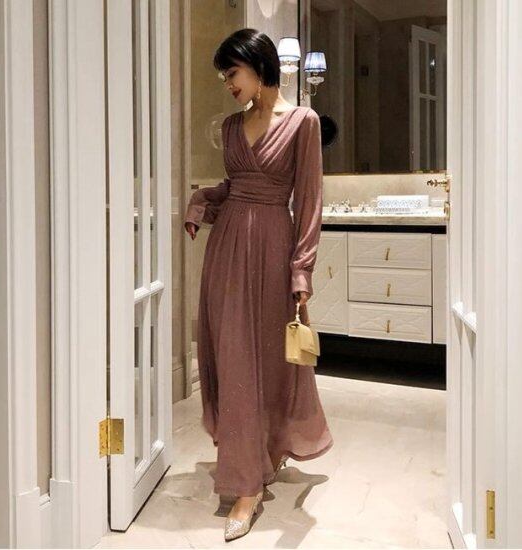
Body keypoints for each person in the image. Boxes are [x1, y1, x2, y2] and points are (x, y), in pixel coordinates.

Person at [184, 28, 334, 541]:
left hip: (273, 253)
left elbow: (309, 202)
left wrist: (301, 271)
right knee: (232, 361)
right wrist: (202, 202)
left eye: (232, 72)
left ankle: (259, 463)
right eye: (224, 76)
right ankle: (245, 478)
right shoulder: (231, 127)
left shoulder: (303, 122)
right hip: (226, 253)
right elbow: (234, 188)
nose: (227, 83)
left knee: (267, 362)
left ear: (258, 65)